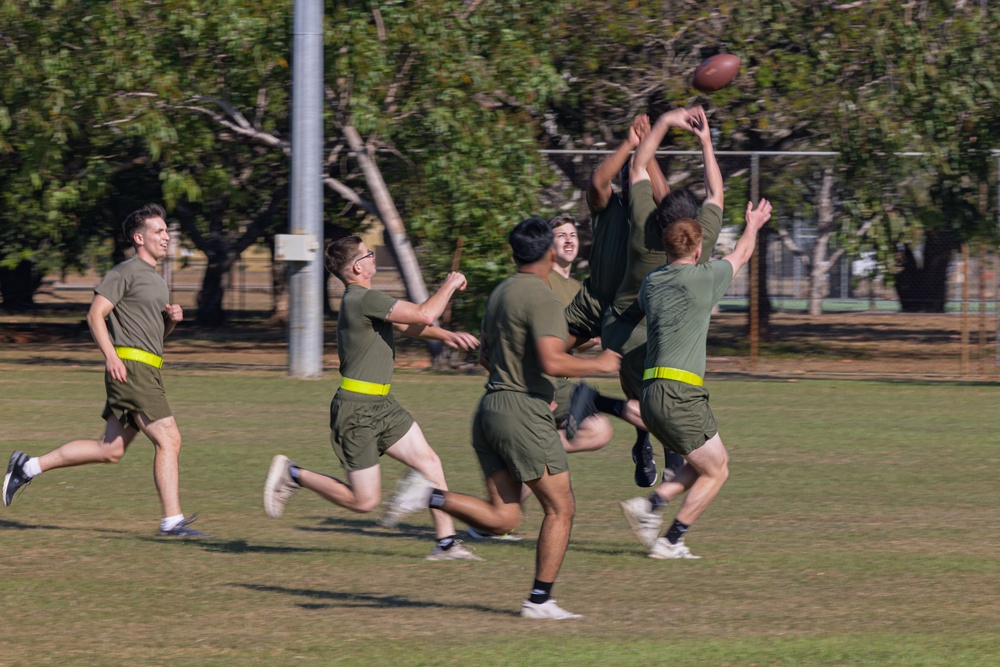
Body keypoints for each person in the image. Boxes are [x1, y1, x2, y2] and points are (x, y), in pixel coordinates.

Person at [380, 217, 621, 619]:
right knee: (561, 509)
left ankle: (428, 494)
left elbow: (487, 356)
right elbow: (551, 358)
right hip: (522, 414)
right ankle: (539, 601)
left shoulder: (500, 292)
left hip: (490, 410)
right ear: (548, 252)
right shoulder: (542, 297)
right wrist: (602, 364)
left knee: (505, 517)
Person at [262, 236, 482, 561]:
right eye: (369, 254)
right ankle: (293, 474)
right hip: (356, 410)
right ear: (357, 267)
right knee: (364, 502)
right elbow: (423, 313)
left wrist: (444, 334)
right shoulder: (363, 299)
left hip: (382, 406)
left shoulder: (367, 301)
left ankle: (446, 543)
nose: (373, 257)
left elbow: (408, 325)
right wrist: (449, 284)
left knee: (430, 463)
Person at [2, 204, 207, 537]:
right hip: (131, 369)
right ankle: (172, 522)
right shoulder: (124, 271)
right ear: (139, 238)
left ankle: (27, 466)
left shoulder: (156, 280)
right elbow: (95, 315)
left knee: (109, 450)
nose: (167, 237)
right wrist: (111, 357)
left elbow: (153, 337)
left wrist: (170, 322)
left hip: (148, 368)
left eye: (167, 231)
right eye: (159, 231)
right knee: (170, 440)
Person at [621, 198, 773, 559]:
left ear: (667, 247)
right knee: (717, 472)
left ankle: (652, 504)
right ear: (698, 247)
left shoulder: (652, 282)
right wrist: (752, 224)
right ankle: (670, 540)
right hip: (680, 393)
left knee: (708, 461)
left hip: (651, 390)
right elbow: (742, 253)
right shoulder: (705, 278)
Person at [601, 106, 724, 489]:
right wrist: (705, 141)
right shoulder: (701, 245)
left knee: (642, 391)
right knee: (663, 394)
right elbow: (716, 192)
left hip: (623, 328)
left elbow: (637, 168)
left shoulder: (643, 230)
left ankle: (642, 440)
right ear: (696, 231)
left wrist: (664, 122)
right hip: (663, 339)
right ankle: (668, 453)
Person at [562, 114, 674, 488]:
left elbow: (668, 199)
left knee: (642, 390)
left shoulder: (658, 217)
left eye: (634, 170)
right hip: (595, 300)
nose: (630, 175)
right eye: (628, 171)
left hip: (632, 310)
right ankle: (527, 411)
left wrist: (648, 149)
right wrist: (630, 143)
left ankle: (644, 441)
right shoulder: (607, 205)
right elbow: (597, 180)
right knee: (544, 348)